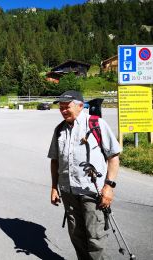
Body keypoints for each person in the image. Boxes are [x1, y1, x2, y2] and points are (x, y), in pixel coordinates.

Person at [47, 90, 121, 260]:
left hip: (92, 193)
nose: (63, 110)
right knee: (76, 235)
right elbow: (55, 161)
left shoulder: (96, 124)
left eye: (67, 106)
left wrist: (109, 187)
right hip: (68, 193)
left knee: (95, 238)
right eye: (61, 107)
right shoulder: (59, 130)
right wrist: (53, 187)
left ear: (80, 106)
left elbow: (113, 157)